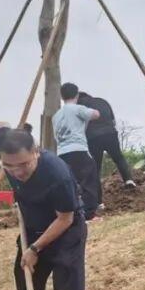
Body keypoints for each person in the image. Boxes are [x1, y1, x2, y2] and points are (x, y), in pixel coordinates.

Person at [0, 123, 87, 290]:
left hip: (65, 233)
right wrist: (29, 246)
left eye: (23, 165)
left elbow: (65, 218)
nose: (17, 172)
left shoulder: (57, 174)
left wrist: (36, 249)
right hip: (32, 232)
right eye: (9, 166)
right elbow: (0, 128)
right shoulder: (10, 162)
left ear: (36, 151)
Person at [77, 91, 136, 207]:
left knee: (95, 168)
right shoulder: (102, 101)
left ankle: (99, 201)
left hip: (93, 137)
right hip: (110, 133)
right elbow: (113, 120)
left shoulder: (80, 106)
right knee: (118, 158)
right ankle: (128, 180)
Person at [53, 83, 101, 220]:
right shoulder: (77, 108)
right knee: (89, 181)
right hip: (78, 150)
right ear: (77, 95)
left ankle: (73, 213)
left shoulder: (56, 115)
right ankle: (89, 214)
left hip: (62, 153)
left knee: (70, 184)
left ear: (62, 96)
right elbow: (96, 114)